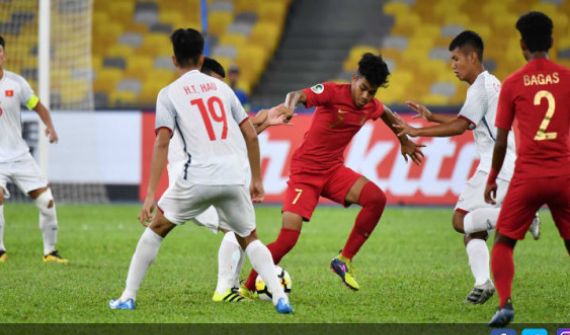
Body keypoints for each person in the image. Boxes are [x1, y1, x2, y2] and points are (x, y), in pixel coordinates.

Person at [109, 28, 293, 314]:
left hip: (193, 180)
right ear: (202, 56)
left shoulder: (169, 94)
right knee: (248, 237)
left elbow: (161, 142)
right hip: (232, 178)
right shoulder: (224, 89)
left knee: (155, 231)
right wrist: (257, 179)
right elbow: (248, 135)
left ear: (173, 59)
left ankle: (128, 296)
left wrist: (149, 195)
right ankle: (280, 297)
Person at [241, 53, 425, 295]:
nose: (366, 96)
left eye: (372, 92)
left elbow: (386, 113)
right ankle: (246, 288)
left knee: (376, 199)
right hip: (305, 173)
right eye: (363, 88)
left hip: (333, 171)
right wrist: (289, 106)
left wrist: (404, 140)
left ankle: (344, 259)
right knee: (287, 239)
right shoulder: (331, 91)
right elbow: (298, 94)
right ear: (354, 79)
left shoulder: (370, 105)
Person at [394, 31, 540, 304]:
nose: (453, 64)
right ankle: (483, 283)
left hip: (494, 167)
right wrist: (431, 116)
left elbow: (461, 126)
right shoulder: (490, 84)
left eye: (456, 58)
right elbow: (467, 121)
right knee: (474, 231)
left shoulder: (480, 88)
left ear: (473, 57)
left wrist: (417, 129)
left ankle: (522, 216)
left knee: (460, 220)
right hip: (508, 164)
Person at [168, 57, 290, 303]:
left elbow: (236, 135)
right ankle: (225, 289)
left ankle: (230, 288)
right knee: (238, 229)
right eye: (214, 82)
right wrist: (262, 120)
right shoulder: (191, 104)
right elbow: (240, 130)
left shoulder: (211, 103)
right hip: (193, 180)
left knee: (240, 229)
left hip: (203, 177)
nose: (218, 88)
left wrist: (265, 122)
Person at [486, 12, 570, 327]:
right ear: (551, 42)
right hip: (563, 175)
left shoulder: (512, 84)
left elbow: (501, 141)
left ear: (522, 45)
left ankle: (505, 304)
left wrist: (493, 177)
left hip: (528, 176)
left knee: (504, 242)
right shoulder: (567, 78)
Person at [0, 34, 66, 264]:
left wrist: (50, 127)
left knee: (47, 202)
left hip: (19, 155)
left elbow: (37, 106)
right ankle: (0, 252)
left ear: (4, 55)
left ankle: (50, 252)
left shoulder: (16, 84)